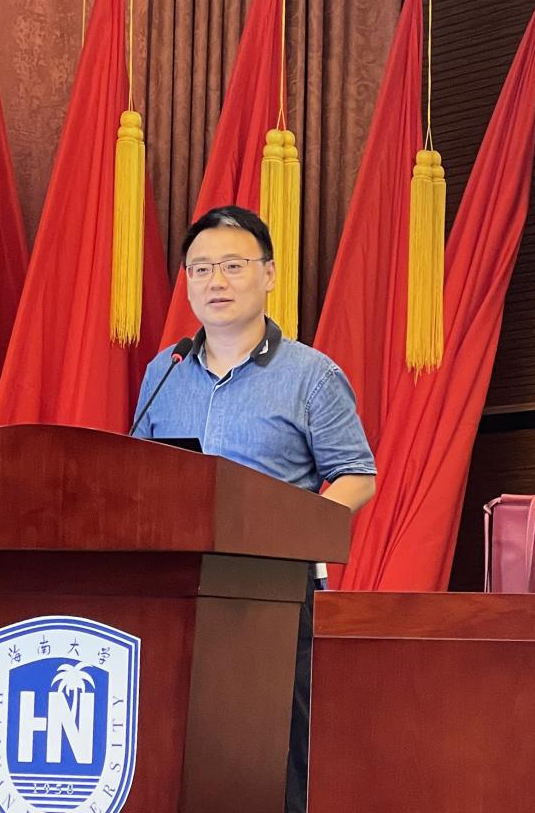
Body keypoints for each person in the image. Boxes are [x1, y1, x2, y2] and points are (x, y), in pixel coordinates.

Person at [130, 205, 376, 813]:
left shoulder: (311, 375)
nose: (216, 281)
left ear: (268, 274)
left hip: (274, 592)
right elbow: (137, 474)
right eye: (201, 268)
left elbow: (357, 476)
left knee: (273, 750)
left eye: (233, 266)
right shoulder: (166, 371)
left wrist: (295, 533)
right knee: (178, 745)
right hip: (175, 590)